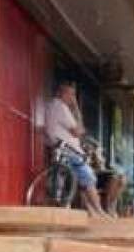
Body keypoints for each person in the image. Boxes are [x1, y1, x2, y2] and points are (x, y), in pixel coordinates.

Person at [41, 82, 111, 218]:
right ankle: (99, 211)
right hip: (68, 150)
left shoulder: (51, 106)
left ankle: (92, 211)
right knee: (88, 177)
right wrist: (76, 108)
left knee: (71, 181)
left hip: (58, 149)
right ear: (62, 93)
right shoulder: (61, 107)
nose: (73, 98)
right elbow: (78, 131)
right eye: (71, 94)